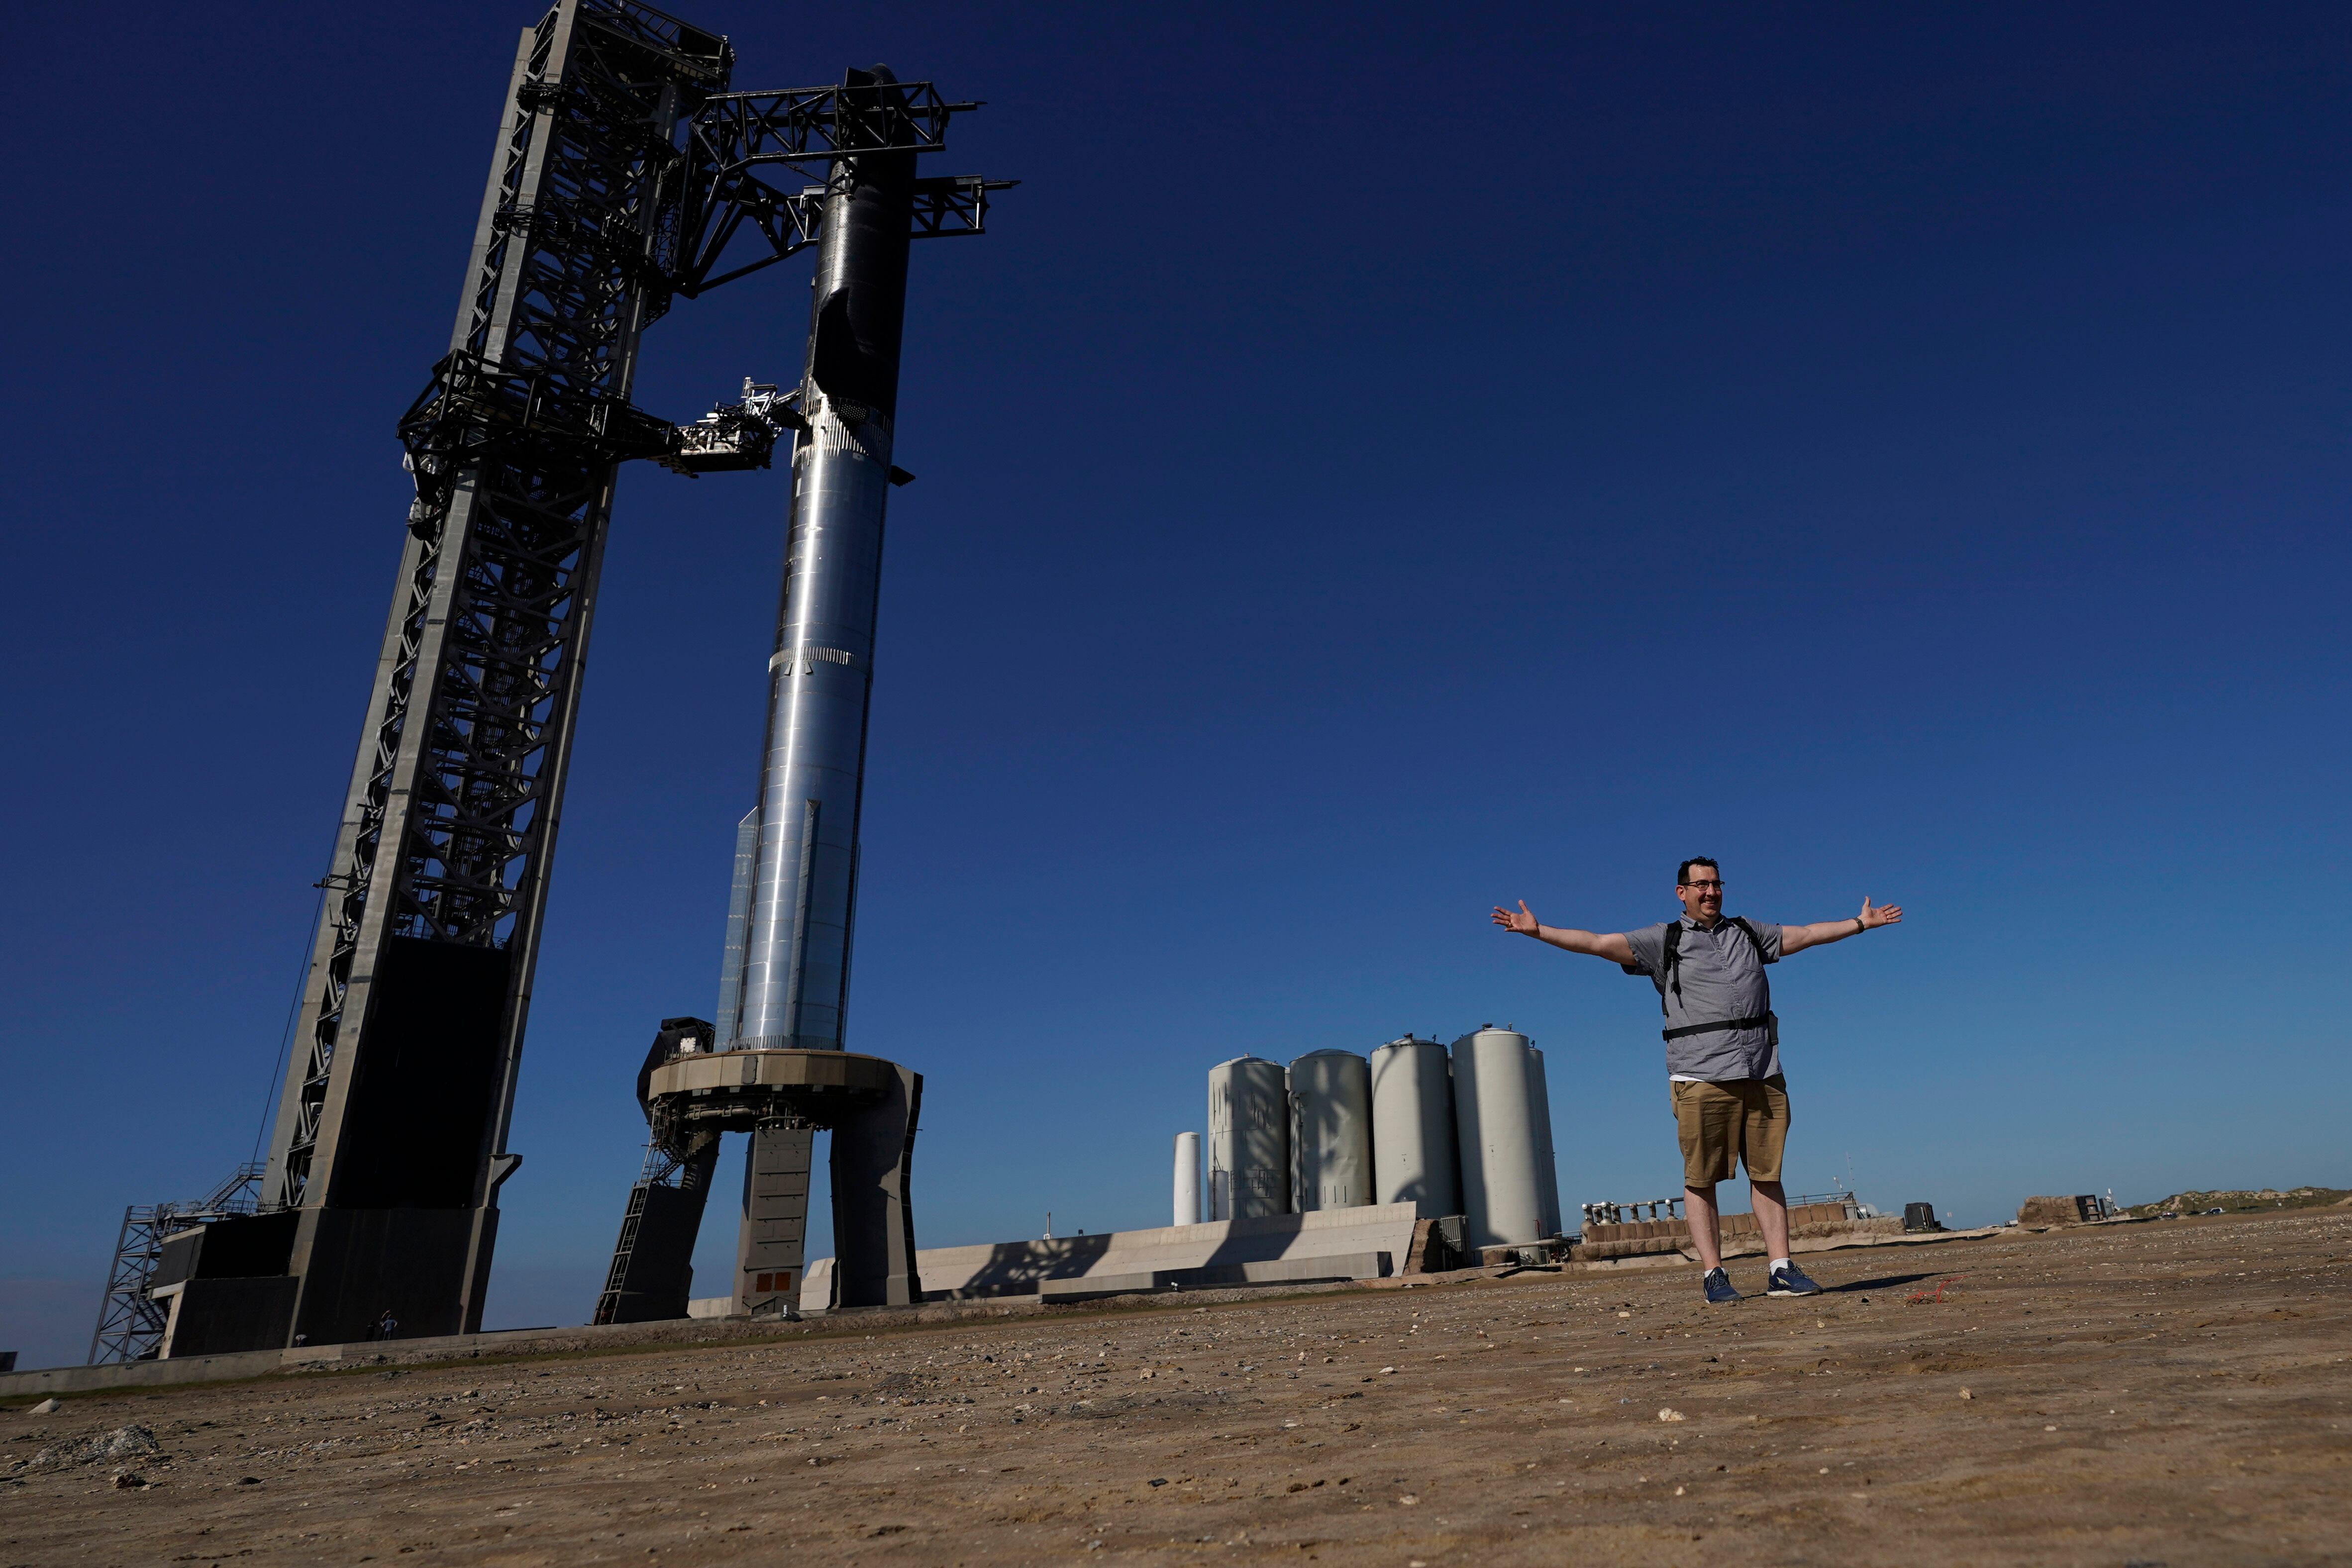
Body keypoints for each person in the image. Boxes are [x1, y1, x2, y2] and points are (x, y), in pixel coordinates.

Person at [1491, 857, 1902, 1305]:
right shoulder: (1662, 940)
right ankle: (1713, 1275)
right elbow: (1598, 943)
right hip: (1701, 1074)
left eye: (1716, 883)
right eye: (1700, 885)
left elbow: (1803, 935)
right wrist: (1539, 931)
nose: (1710, 891)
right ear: (1681, 892)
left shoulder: (1747, 931)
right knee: (1701, 1179)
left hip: (1762, 1070)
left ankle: (1780, 1269)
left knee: (1767, 1174)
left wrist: (1859, 924)